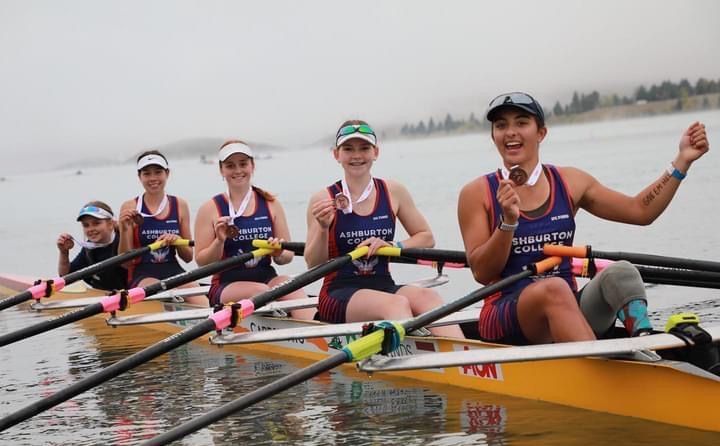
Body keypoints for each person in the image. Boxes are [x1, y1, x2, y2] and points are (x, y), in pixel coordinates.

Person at [458, 91, 710, 345]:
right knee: (554, 288)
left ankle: (645, 344)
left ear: (541, 133)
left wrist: (681, 162)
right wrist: (508, 222)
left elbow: (640, 212)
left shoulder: (570, 182)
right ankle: (606, 370)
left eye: (521, 122)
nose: (510, 131)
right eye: (501, 125)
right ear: (494, 136)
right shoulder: (477, 193)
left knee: (621, 272)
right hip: (504, 316)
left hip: (566, 307)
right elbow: (482, 271)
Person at [306, 120, 464, 338]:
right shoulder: (323, 198)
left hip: (383, 285)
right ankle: (416, 364)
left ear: (375, 152)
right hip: (338, 293)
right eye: (348, 149)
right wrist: (323, 229)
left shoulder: (393, 191)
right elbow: (313, 263)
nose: (357, 155)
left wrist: (392, 245)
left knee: (429, 297)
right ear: (336, 155)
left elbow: (426, 238)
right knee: (396, 304)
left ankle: (464, 361)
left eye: (364, 148)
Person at [194, 140, 314, 319]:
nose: (237, 170)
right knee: (263, 291)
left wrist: (278, 252)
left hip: (267, 277)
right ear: (221, 170)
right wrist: (219, 241)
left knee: (292, 287)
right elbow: (201, 262)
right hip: (227, 284)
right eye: (230, 166)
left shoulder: (272, 204)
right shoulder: (209, 209)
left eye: (243, 164)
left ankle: (316, 333)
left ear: (252, 166)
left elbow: (286, 258)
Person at [118, 150, 205, 304]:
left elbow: (188, 257)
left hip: (174, 269)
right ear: (140, 177)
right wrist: (124, 230)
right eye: (147, 174)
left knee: (202, 302)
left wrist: (178, 240)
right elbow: (125, 263)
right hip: (142, 274)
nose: (153, 178)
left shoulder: (180, 205)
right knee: (163, 295)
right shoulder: (130, 206)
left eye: (158, 172)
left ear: (167, 174)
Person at [56, 201, 127, 291]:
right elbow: (65, 277)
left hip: (130, 296)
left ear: (110, 224)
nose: (91, 229)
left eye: (96, 223)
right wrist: (64, 252)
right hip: (103, 296)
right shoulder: (89, 248)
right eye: (86, 225)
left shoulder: (125, 240)